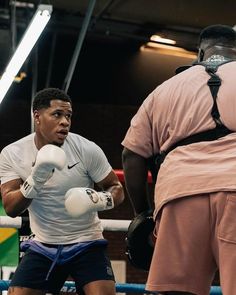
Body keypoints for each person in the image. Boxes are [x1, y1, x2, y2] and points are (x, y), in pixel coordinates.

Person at [122, 24, 236, 295]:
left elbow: (131, 155)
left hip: (179, 194)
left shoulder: (163, 90)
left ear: (199, 52)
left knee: (177, 291)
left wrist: (143, 214)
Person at [0, 87, 124, 295]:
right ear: (37, 117)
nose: (65, 121)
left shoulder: (86, 148)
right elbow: (11, 207)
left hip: (87, 242)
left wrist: (99, 199)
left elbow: (116, 188)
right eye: (57, 114)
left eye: (68, 116)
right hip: (42, 244)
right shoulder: (13, 154)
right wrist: (35, 180)